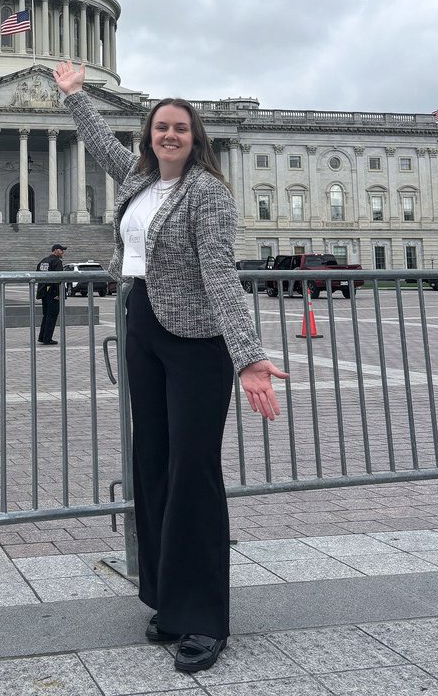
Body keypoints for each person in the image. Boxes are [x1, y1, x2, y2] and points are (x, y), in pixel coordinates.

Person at [52, 61, 288, 674]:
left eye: (180, 128)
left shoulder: (207, 193)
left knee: (193, 472)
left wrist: (250, 357)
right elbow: (103, 146)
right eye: (160, 128)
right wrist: (76, 96)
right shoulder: (138, 179)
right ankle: (165, 599)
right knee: (151, 465)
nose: (169, 136)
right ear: (150, 136)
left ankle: (206, 618)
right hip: (142, 325)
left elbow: (220, 275)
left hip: (195, 340)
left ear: (196, 136)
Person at [35, 243, 66, 345]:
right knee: (52, 315)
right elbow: (58, 278)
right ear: (56, 250)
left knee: (46, 315)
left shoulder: (43, 261)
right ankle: (47, 338)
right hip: (53, 292)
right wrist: (58, 293)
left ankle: (42, 337)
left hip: (44, 291)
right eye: (61, 250)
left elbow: (37, 274)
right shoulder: (56, 262)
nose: (63, 252)